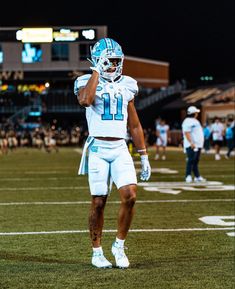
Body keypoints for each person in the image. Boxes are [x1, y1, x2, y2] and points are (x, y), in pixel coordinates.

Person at [74, 37, 151, 269]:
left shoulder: (127, 84)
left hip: (120, 147)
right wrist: (97, 71)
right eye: (108, 61)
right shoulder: (86, 80)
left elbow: (134, 124)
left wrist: (144, 155)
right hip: (98, 148)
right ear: (97, 60)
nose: (113, 65)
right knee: (98, 202)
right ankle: (97, 251)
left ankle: (118, 245)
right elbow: (86, 100)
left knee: (130, 195)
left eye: (116, 61)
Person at [182, 106, 206, 183]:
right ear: (193, 113)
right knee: (191, 160)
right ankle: (188, 175)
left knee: (195, 161)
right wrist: (191, 142)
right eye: (196, 112)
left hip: (197, 145)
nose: (197, 114)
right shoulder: (187, 121)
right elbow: (187, 132)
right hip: (192, 145)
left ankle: (197, 176)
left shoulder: (195, 121)